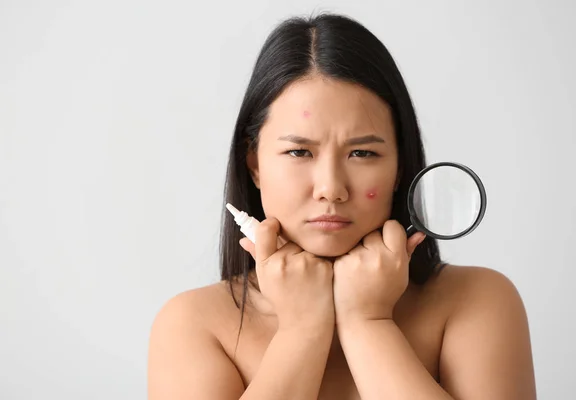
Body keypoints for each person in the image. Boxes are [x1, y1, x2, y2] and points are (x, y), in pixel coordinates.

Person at [147, 13, 536, 400]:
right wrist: (302, 330)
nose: (331, 189)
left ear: (400, 166)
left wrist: (369, 323)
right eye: (299, 151)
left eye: (363, 152)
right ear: (255, 164)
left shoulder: (478, 301)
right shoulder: (193, 325)